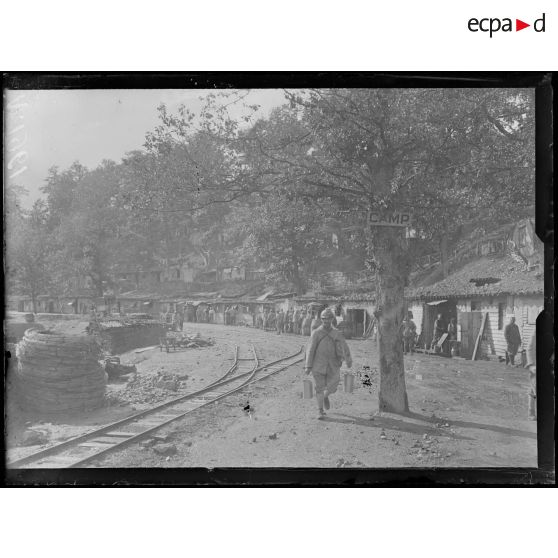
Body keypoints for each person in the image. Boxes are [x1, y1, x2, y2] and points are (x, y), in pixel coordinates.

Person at [305, 308, 353, 419]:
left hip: (333, 365)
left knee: (334, 386)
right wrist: (308, 365)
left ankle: (326, 396)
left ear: (332, 319)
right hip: (318, 365)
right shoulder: (316, 333)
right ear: (321, 319)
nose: (326, 321)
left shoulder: (337, 333)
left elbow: (345, 348)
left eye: (328, 319)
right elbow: (310, 349)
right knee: (319, 387)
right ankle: (320, 410)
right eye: (324, 319)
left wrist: (348, 360)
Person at [525, 327, 536, 420]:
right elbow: (530, 347)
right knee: (534, 390)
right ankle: (531, 411)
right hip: (538, 365)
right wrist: (531, 364)